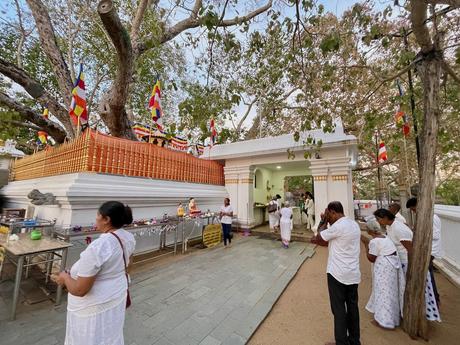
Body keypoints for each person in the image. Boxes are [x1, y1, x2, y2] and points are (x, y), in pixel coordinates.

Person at [52, 201, 136, 345]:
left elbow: (80, 290)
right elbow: (128, 266)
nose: (95, 218)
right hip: (116, 297)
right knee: (110, 335)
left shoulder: (99, 247)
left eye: (98, 215)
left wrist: (65, 278)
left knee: (90, 338)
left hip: (94, 308)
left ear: (106, 219)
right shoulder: (128, 237)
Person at [374, 207, 440, 322]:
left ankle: (417, 317)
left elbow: (411, 250)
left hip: (407, 263)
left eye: (378, 219)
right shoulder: (390, 226)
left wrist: (412, 269)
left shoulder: (399, 229)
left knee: (411, 291)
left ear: (385, 218)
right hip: (401, 262)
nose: (378, 222)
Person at [311, 201, 361, 345]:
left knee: (338, 310)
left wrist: (323, 221)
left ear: (333, 212)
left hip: (337, 274)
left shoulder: (338, 227)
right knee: (352, 309)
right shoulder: (353, 224)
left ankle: (341, 342)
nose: (328, 217)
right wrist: (327, 221)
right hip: (353, 274)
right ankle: (354, 341)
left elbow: (319, 237)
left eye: (329, 214)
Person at [362, 210, 405, 329]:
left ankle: (384, 320)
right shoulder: (385, 237)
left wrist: (366, 244)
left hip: (383, 269)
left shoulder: (374, 242)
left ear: (370, 230)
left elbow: (371, 258)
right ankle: (392, 317)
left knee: (383, 293)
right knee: (390, 292)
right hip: (391, 267)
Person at [406, 197, 442, 307]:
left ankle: (434, 298)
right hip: (427, 249)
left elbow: (435, 235)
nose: (414, 212)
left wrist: (420, 233)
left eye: (413, 209)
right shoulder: (426, 217)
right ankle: (433, 298)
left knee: (427, 274)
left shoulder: (432, 217)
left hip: (431, 250)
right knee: (427, 273)